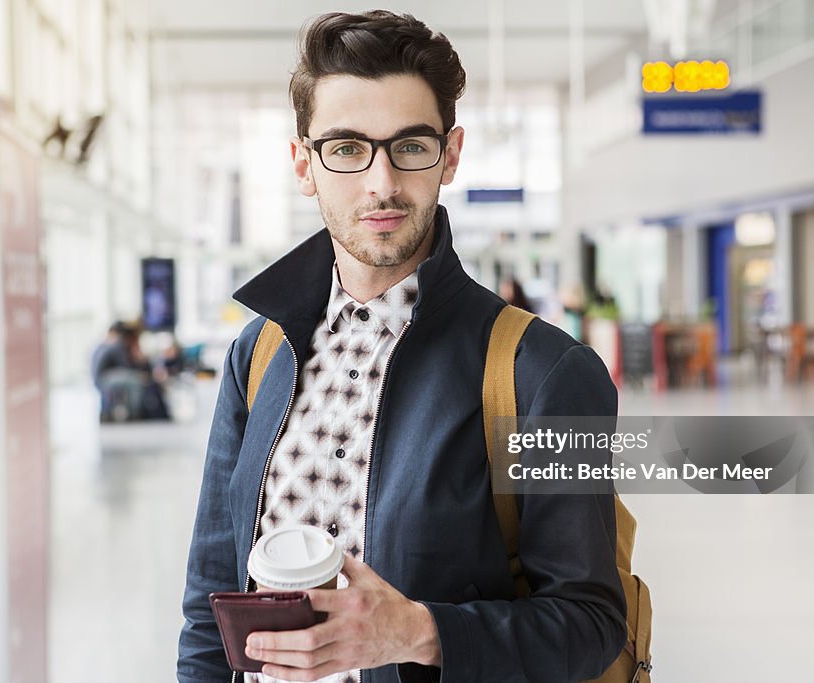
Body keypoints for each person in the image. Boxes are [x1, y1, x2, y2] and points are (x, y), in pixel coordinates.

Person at [178, 11, 625, 683]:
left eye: (410, 146)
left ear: (450, 154)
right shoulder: (259, 354)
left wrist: (419, 632)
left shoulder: (545, 373)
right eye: (347, 148)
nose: (381, 183)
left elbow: (592, 624)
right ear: (304, 162)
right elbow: (209, 601)